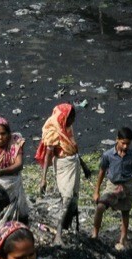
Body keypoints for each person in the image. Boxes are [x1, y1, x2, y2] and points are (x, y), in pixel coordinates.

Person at [36, 103, 92, 245]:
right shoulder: (54, 131)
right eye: (70, 117)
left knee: (73, 198)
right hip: (63, 166)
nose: (73, 120)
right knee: (66, 198)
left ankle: (68, 226)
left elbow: (74, 149)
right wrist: (44, 179)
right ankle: (58, 234)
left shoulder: (67, 128)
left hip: (74, 163)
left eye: (73, 117)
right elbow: (49, 155)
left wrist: (84, 166)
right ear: (63, 117)